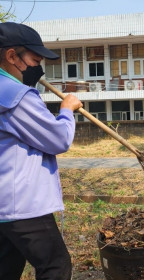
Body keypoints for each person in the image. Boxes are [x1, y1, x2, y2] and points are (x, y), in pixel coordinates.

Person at [0, 22, 83, 280]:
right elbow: (58, 139)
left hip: (5, 206)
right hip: (22, 204)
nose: (39, 67)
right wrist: (67, 110)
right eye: (35, 60)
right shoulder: (17, 95)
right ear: (12, 56)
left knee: (6, 268)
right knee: (55, 266)